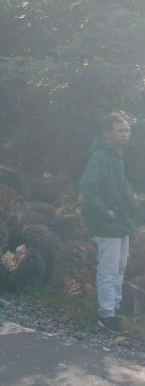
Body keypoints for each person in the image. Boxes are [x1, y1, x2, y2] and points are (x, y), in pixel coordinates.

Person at [78, 112, 140, 335]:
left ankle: (115, 305)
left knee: (121, 266)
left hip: (120, 219)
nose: (125, 134)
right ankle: (106, 315)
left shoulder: (117, 154)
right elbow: (87, 186)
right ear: (107, 133)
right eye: (120, 130)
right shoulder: (100, 156)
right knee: (109, 268)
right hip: (107, 222)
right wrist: (105, 210)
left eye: (127, 130)